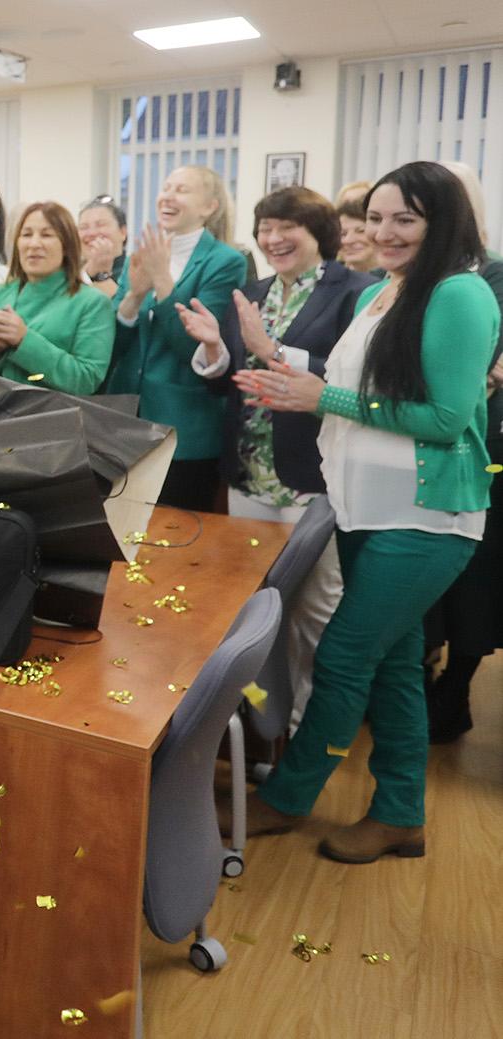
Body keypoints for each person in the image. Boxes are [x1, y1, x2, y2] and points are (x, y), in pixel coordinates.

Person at [230, 161, 499, 863]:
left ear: (442, 223)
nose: (384, 232)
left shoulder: (461, 294)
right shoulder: (381, 294)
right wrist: (295, 387)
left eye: (404, 219)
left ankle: (286, 798)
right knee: (395, 666)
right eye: (376, 218)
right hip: (365, 510)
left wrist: (323, 399)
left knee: (346, 656)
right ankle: (400, 812)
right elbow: (342, 390)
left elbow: (445, 418)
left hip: (428, 517)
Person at [178, 186, 377, 725]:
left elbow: (351, 377)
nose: (273, 239)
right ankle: (266, 727)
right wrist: (215, 350)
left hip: (311, 481)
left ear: (319, 233)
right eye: (265, 228)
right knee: (257, 614)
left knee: (315, 613)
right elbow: (230, 387)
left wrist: (272, 351)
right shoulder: (253, 291)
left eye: (287, 227)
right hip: (250, 478)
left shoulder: (357, 290)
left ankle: (311, 731)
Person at [104, 164, 248, 510]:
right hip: (124, 423)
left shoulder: (225, 262)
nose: (167, 195)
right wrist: (134, 297)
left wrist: (163, 284)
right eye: (166, 187)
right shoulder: (141, 255)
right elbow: (113, 347)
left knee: (178, 544)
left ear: (209, 207)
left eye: (181, 190)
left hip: (184, 429)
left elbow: (197, 351)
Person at [424, 161, 503, 742]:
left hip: (482, 443)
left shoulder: (493, 275)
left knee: (476, 579)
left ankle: (457, 686)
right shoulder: (417, 275)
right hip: (421, 441)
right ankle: (426, 675)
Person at [0, 200, 114, 394]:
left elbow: (86, 380)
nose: (34, 244)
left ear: (66, 245)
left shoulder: (92, 303)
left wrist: (24, 340)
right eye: (26, 235)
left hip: (53, 419)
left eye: (47, 235)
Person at [79, 196, 129, 300]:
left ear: (123, 232)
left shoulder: (134, 272)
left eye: (101, 225)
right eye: (84, 227)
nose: (91, 233)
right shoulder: (66, 273)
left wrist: (100, 276)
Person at [338, 198, 379, 273]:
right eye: (343, 234)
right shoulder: (326, 279)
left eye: (360, 231)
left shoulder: (400, 280)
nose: (348, 240)